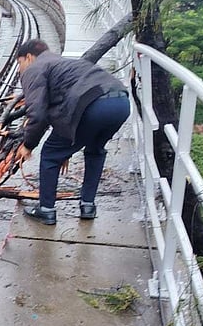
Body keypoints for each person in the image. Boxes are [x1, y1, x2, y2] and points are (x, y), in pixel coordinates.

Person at [15, 39, 130, 225]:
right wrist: (68, 142)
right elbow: (61, 103)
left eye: (19, 63)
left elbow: (37, 113)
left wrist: (28, 144)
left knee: (50, 155)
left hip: (93, 105)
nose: (20, 69)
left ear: (28, 57)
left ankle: (46, 210)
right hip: (121, 103)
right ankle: (88, 206)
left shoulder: (34, 68)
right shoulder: (65, 63)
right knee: (95, 151)